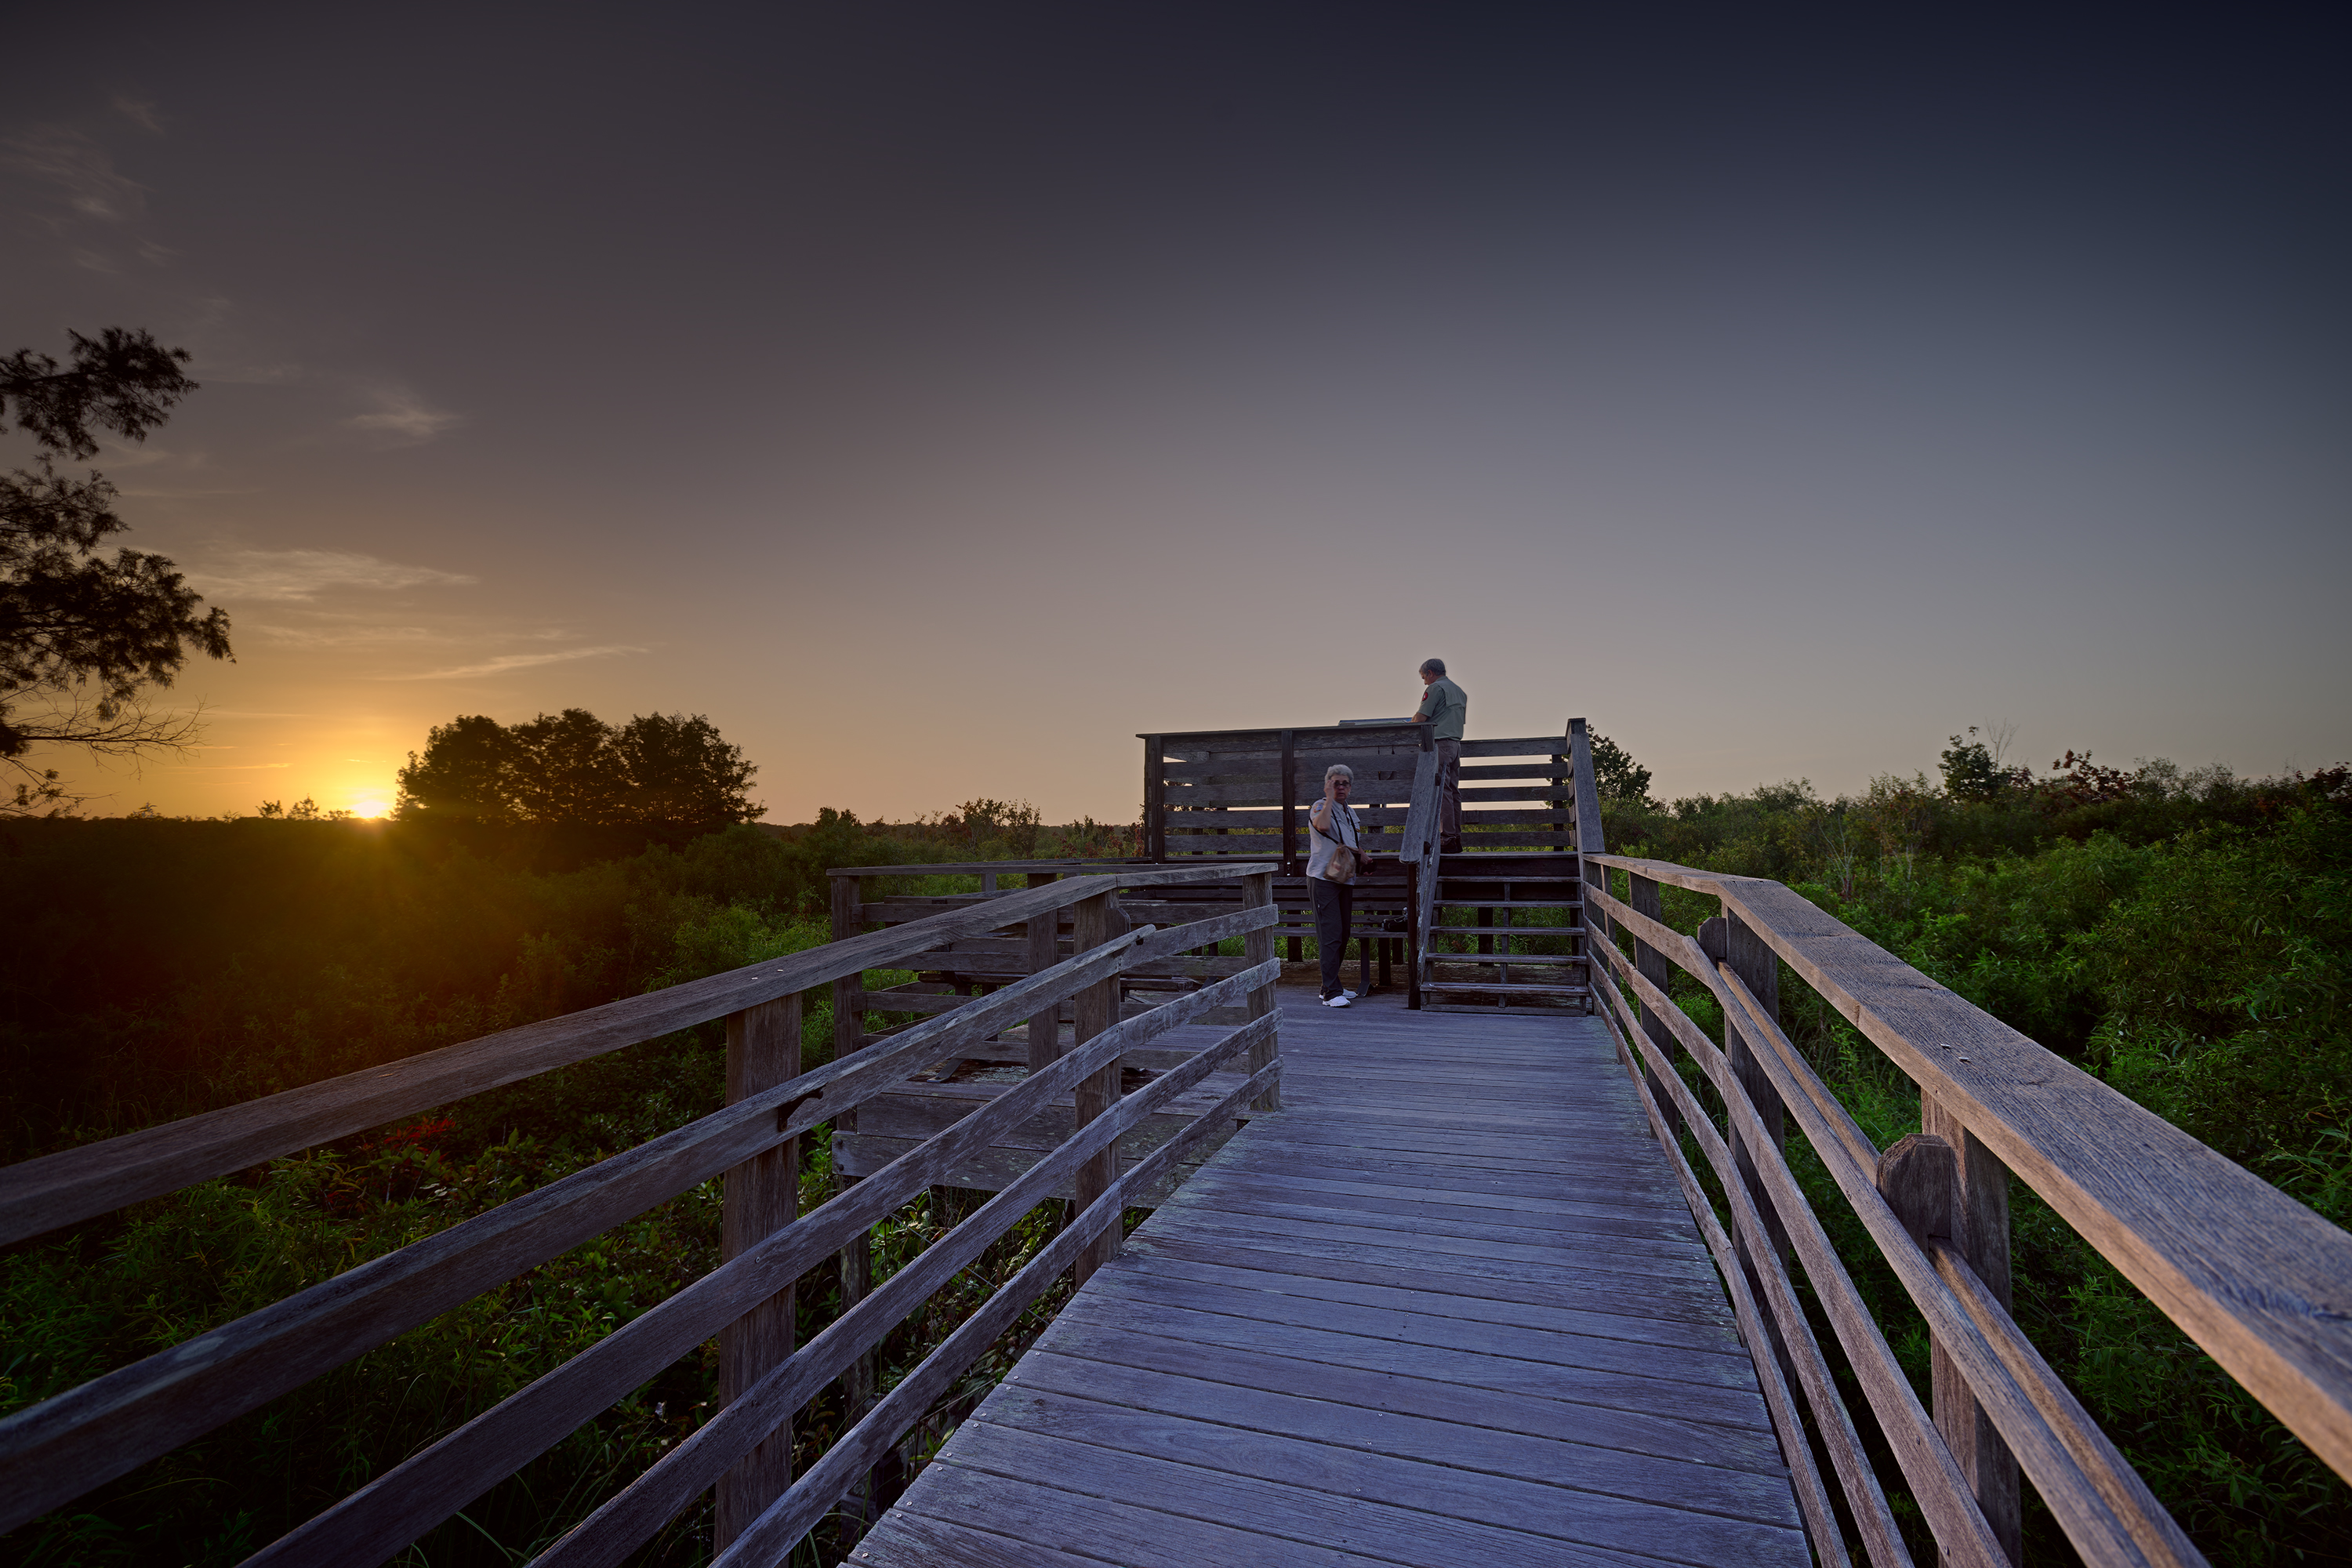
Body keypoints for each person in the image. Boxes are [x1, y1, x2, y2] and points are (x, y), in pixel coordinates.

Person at [1306, 762, 1367, 1007]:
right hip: (1323, 879)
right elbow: (1321, 826)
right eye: (1335, 783)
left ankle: (1328, 986)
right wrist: (1330, 798)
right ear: (1327, 785)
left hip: (1344, 878)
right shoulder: (1321, 806)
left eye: (1345, 783)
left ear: (1350, 788)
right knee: (1330, 936)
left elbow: (1349, 840)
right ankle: (1331, 994)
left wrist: (1363, 856)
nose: (1340, 787)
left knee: (1343, 934)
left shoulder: (1350, 812)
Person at [1413, 658, 1468, 853]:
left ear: (1430, 673)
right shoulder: (1460, 692)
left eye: (1424, 677)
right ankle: (1456, 837)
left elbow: (1421, 718)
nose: (1425, 682)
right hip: (1455, 746)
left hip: (1440, 745)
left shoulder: (1435, 689)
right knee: (1454, 792)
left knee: (1442, 792)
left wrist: (1408, 726)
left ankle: (1446, 839)